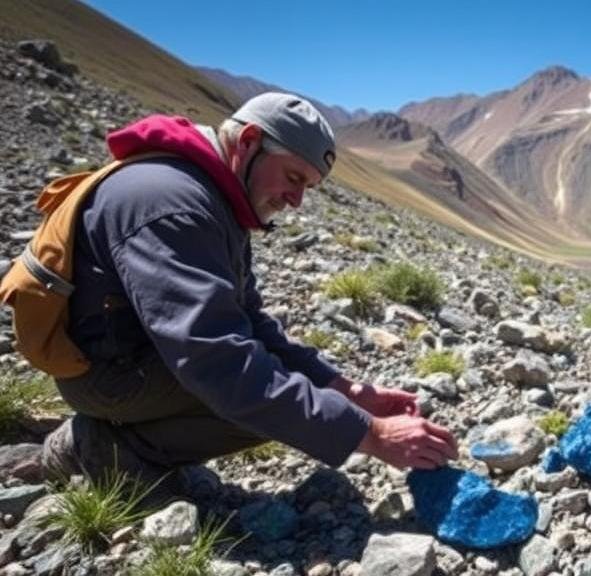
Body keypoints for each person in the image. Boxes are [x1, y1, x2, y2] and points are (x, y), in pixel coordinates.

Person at [41, 92, 458, 496]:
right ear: (248, 142)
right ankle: (102, 449)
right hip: (105, 374)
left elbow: (249, 320)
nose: (295, 201)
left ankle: (125, 436)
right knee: (262, 398)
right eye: (294, 177)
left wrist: (346, 392)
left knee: (281, 392)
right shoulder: (174, 204)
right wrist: (372, 434)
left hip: (138, 353)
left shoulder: (212, 197)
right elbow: (218, 359)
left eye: (307, 188)